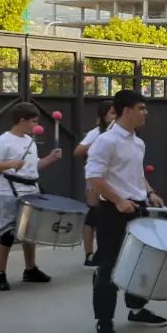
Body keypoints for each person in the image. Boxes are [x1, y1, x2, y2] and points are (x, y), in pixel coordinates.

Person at [85, 90, 167, 333]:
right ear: (126, 111)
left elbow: (136, 174)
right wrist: (118, 200)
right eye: (141, 108)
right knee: (109, 266)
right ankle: (104, 320)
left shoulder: (137, 141)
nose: (146, 113)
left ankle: (136, 308)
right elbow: (94, 177)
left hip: (138, 207)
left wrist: (150, 192)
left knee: (140, 262)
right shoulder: (106, 141)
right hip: (113, 211)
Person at [0, 103, 62, 292]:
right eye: (33, 121)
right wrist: (10, 163)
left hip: (31, 189)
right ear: (22, 120)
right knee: (7, 232)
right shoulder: (4, 140)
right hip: (9, 191)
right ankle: (0, 274)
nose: (36, 125)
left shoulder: (30, 140)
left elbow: (33, 167)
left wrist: (50, 158)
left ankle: (30, 269)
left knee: (30, 231)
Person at [74, 101, 115, 266]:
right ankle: (89, 253)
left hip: (114, 180)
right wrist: (98, 141)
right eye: (112, 113)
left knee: (109, 217)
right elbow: (77, 151)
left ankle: (105, 251)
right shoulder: (96, 133)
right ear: (103, 116)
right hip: (96, 179)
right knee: (93, 215)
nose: (115, 117)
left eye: (116, 113)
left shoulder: (123, 134)